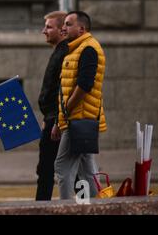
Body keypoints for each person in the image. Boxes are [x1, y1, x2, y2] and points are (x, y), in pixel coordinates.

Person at [54, 11, 107, 200]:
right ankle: (94, 208)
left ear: (81, 28)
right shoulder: (76, 49)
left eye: (68, 24)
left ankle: (66, 208)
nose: (63, 28)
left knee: (63, 168)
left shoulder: (88, 49)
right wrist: (58, 122)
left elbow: (84, 85)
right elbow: (66, 88)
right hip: (77, 118)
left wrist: (67, 109)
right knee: (87, 170)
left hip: (79, 119)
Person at [35, 11, 68, 201]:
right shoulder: (59, 51)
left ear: (62, 30)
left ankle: (40, 207)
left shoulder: (64, 53)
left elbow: (63, 91)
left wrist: (55, 120)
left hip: (58, 123)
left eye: (49, 27)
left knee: (46, 170)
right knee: (68, 169)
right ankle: (87, 204)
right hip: (53, 119)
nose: (43, 31)